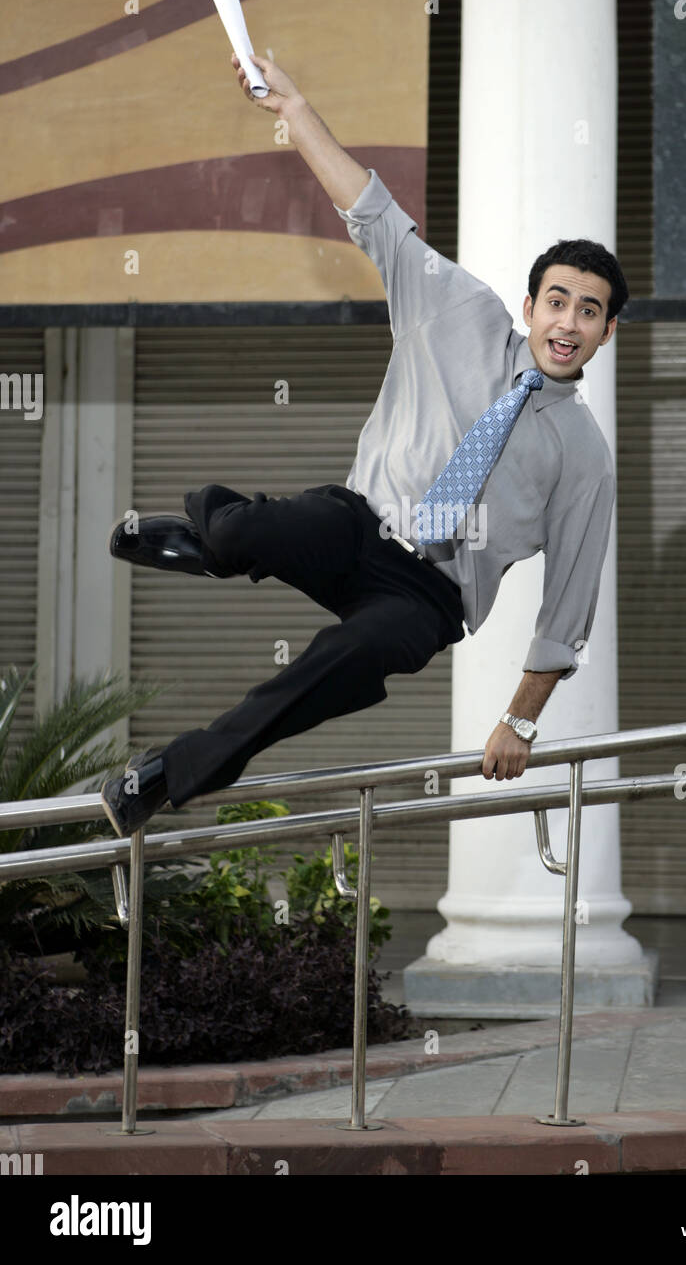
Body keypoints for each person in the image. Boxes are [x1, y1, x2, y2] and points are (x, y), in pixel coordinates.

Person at [101, 51, 627, 839]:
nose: (568, 323)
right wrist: (296, 108)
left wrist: (518, 722)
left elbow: (568, 609)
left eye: (588, 312)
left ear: (606, 332)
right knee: (250, 529)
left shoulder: (585, 457)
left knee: (328, 673)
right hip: (357, 523)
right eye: (557, 301)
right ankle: (212, 542)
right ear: (529, 304)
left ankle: (164, 777)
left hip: (426, 598)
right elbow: (373, 211)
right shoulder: (456, 308)